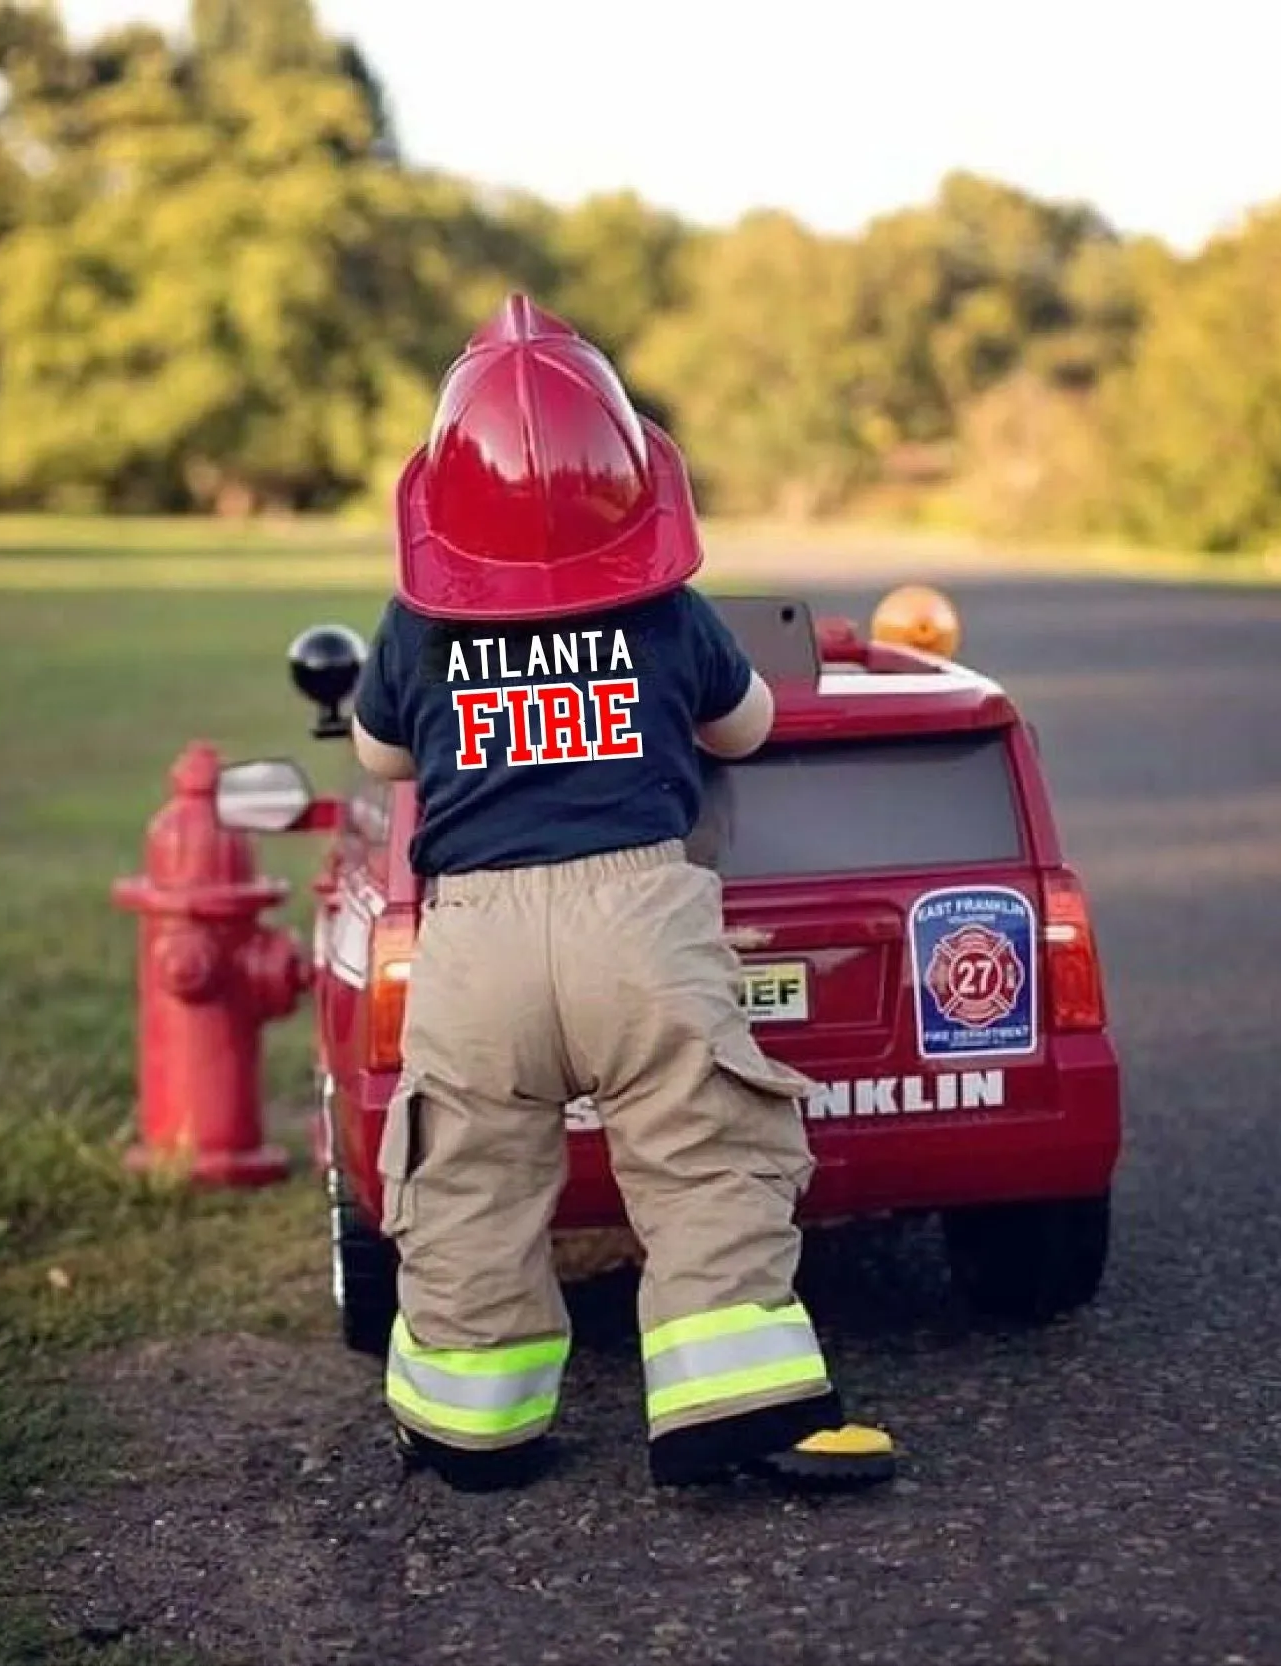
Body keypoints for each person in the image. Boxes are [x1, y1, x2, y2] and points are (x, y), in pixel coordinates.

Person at [346, 293, 899, 1494]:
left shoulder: (418, 626)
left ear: (442, 502)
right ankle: (733, 1403)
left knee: (469, 1175)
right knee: (705, 1150)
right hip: (637, 922)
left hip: (476, 940)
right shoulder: (666, 610)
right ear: (634, 486)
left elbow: (379, 755)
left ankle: (469, 1423)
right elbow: (743, 727)